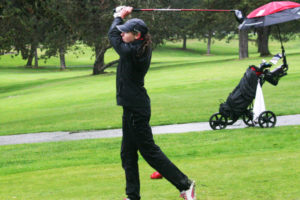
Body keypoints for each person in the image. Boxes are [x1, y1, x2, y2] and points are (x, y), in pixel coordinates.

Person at [108, 6, 196, 200]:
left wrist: (118, 16)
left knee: (148, 151)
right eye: (123, 32)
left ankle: (185, 184)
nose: (122, 35)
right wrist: (123, 18)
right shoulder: (136, 46)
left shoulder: (132, 51)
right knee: (127, 153)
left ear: (137, 35)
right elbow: (117, 34)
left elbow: (113, 36)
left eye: (126, 33)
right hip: (132, 106)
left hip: (135, 109)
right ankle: (132, 196)